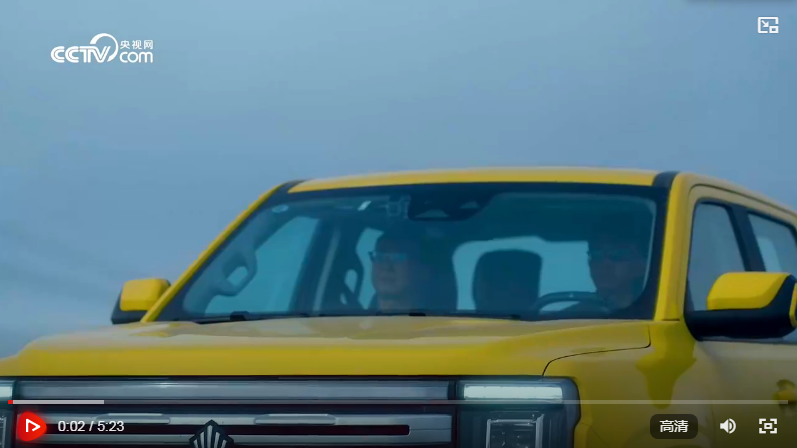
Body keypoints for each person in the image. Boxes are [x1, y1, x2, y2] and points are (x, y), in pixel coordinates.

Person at [586, 221, 651, 317]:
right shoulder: (574, 317)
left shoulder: (658, 310)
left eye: (616, 255)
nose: (605, 263)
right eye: (596, 255)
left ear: (643, 263)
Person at [369, 228, 431, 311]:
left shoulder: (438, 318)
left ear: (420, 270)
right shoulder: (355, 317)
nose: (386, 266)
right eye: (380, 256)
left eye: (398, 257)